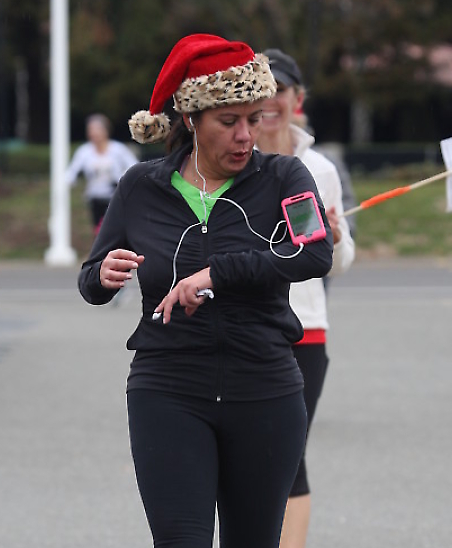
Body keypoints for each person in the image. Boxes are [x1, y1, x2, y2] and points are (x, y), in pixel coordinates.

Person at [77, 34, 334, 548]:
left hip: (265, 390)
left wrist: (217, 273)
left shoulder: (286, 175)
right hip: (168, 390)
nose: (245, 136)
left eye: (254, 119)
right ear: (191, 120)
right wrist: (102, 273)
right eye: (228, 121)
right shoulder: (140, 186)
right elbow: (90, 280)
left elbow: (314, 253)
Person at [257, 48, 356, 548]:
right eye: (261, 90)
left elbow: (337, 264)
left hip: (304, 330)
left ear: (298, 98)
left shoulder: (318, 170)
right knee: (243, 456)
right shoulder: (229, 159)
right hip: (242, 325)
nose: (271, 101)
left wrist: (333, 240)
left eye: (281, 90)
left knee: (288, 457)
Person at [66, 113, 138, 234]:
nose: (94, 133)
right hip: (95, 198)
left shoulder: (118, 149)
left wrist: (122, 179)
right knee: (99, 230)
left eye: (97, 129)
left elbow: (134, 167)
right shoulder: (84, 152)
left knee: (115, 228)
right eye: (91, 130)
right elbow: (72, 171)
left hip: (116, 197)